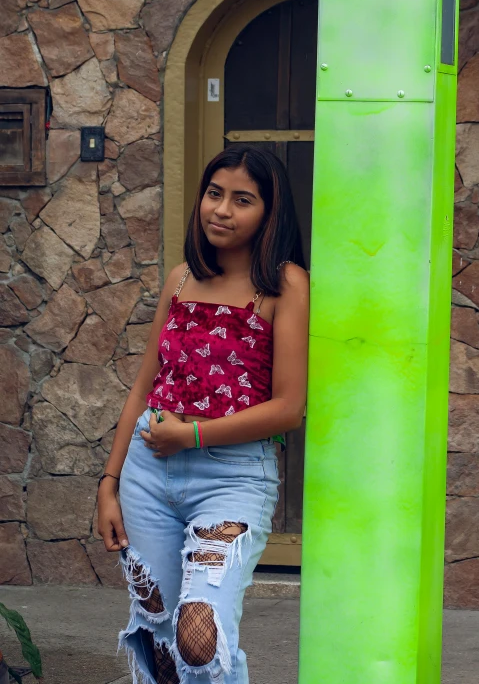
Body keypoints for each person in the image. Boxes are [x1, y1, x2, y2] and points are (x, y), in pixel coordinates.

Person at [97, 144, 310, 684]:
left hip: (232, 478)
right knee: (162, 638)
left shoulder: (284, 285)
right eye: (214, 194)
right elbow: (144, 387)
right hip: (148, 474)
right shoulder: (180, 278)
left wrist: (192, 435)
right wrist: (109, 482)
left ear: (270, 213)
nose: (222, 210)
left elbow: (289, 408)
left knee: (200, 634)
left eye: (243, 200)